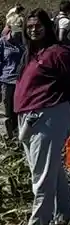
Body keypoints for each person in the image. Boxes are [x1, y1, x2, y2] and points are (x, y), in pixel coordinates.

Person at [15, 10, 70, 225]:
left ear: (48, 27)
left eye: (38, 25)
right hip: (30, 116)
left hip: (48, 115)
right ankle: (63, 215)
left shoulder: (57, 53)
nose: (33, 29)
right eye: (30, 26)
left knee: (42, 174)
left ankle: (39, 224)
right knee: (51, 170)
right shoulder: (32, 53)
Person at [1, 10, 23, 143]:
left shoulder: (23, 43)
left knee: (18, 110)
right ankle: (7, 137)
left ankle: (17, 136)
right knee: (7, 111)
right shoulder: (3, 42)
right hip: (6, 81)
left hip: (20, 81)